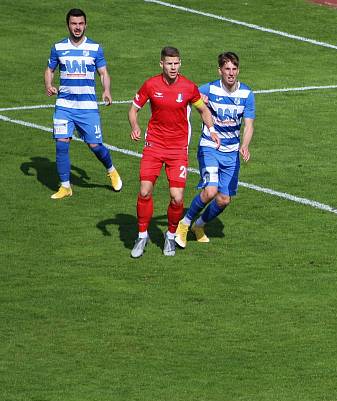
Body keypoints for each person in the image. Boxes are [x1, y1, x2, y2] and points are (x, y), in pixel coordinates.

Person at [128, 46, 219, 258]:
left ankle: (170, 236)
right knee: (144, 191)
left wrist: (212, 131)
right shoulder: (151, 85)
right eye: (169, 64)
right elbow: (133, 109)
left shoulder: (188, 87)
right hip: (154, 145)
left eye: (176, 63)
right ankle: (142, 235)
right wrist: (135, 126)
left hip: (178, 149)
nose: (173, 67)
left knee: (177, 198)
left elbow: (203, 110)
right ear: (161, 64)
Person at [175, 52, 255, 248]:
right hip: (210, 147)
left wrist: (245, 145)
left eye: (234, 69)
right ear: (219, 70)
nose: (231, 73)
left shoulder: (246, 94)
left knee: (223, 199)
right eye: (227, 69)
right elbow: (184, 96)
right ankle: (184, 224)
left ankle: (199, 226)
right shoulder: (208, 89)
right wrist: (198, 99)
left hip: (232, 152)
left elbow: (249, 124)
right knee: (210, 191)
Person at [44, 8, 122, 199]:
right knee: (61, 143)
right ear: (68, 25)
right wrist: (49, 84)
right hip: (64, 105)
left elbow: (103, 73)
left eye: (80, 24)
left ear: (85, 25)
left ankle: (111, 170)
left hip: (87, 107)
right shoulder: (58, 47)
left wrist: (106, 90)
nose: (77, 27)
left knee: (95, 145)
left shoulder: (95, 48)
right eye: (73, 24)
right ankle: (65, 186)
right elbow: (49, 70)